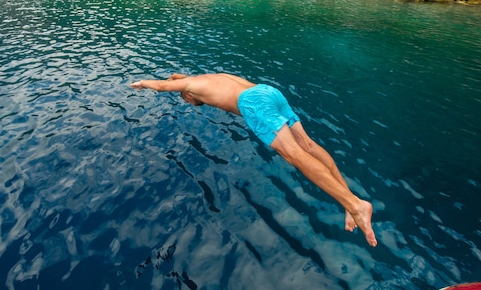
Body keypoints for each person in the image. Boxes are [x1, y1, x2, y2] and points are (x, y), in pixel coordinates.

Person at [130, 73, 377, 247]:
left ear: (186, 94)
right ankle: (348, 203)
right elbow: (178, 79)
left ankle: (356, 205)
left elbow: (163, 86)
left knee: (295, 155)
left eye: (189, 100)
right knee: (308, 146)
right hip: (268, 91)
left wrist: (142, 83)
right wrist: (177, 79)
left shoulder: (191, 87)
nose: (192, 102)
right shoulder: (208, 77)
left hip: (253, 103)